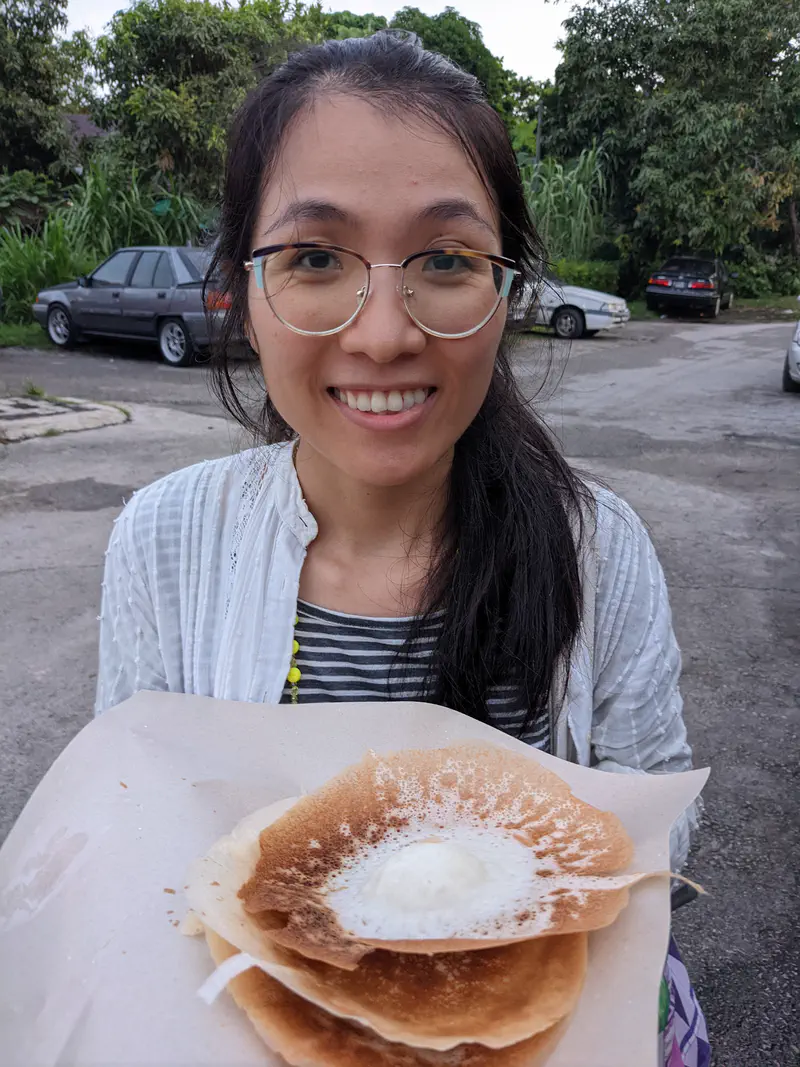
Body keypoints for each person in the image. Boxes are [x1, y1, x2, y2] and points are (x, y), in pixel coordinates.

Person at [94, 32, 708, 1065]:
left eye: (444, 260)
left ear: (504, 290)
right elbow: (137, 830)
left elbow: (654, 837)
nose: (382, 334)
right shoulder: (166, 538)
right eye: (317, 258)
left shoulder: (597, 547)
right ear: (241, 288)